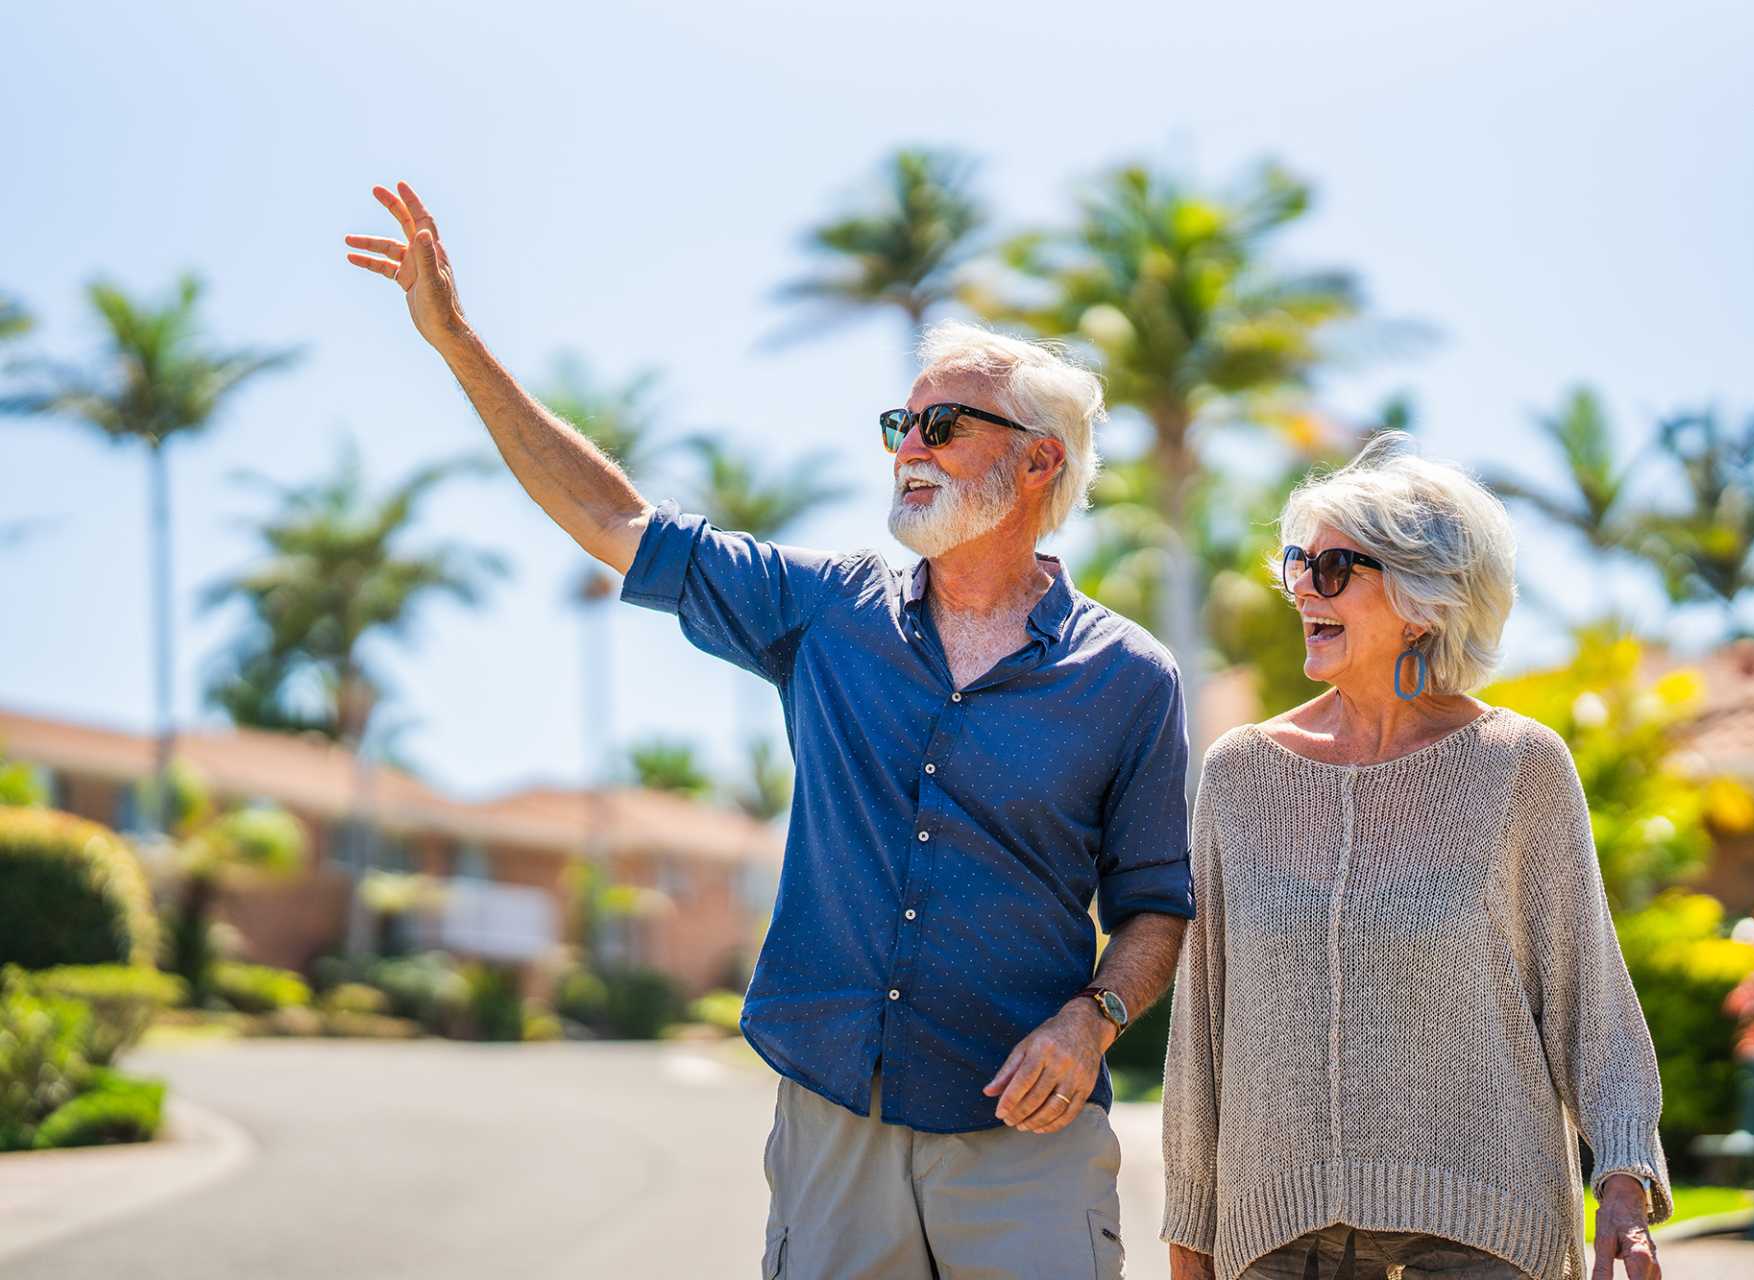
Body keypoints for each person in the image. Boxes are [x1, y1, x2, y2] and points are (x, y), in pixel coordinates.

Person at [346, 182, 1192, 1280]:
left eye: (943, 425)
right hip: (832, 1116)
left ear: (1039, 461)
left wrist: (1092, 1019)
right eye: (901, 425)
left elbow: (1156, 906)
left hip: (1023, 1137)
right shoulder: (827, 609)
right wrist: (456, 343)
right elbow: (618, 521)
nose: (909, 448)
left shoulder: (1129, 676)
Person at [1160, 434, 1668, 1280]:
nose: (1300, 589)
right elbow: (1201, 1032)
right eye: (1296, 562)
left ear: (1423, 600)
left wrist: (1623, 1181)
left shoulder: (1519, 766)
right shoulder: (1239, 773)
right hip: (1278, 1244)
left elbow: (1588, 993)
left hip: (1487, 1234)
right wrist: (1191, 1237)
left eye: (1332, 571)